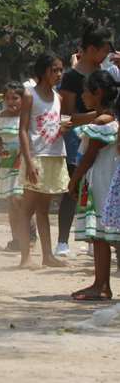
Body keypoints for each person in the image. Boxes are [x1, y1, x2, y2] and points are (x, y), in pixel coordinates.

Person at [56, 23, 113, 257]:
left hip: (104, 139)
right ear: (91, 49)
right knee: (74, 188)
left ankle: (95, 238)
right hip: (76, 141)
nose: (106, 56)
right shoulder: (71, 78)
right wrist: (95, 115)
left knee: (101, 187)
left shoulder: (105, 75)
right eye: (103, 50)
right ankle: (62, 241)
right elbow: (67, 117)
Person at [68, 71, 119, 300]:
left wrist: (74, 179)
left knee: (102, 235)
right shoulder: (105, 118)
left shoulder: (102, 122)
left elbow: (89, 156)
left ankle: (100, 285)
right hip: (105, 178)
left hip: (102, 179)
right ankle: (101, 284)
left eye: (85, 91)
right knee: (104, 235)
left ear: (97, 93)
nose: (82, 95)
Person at [15, 52, 69, 268]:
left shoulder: (59, 98)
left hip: (54, 155)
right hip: (36, 157)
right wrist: (28, 162)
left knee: (44, 210)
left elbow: (54, 126)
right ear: (43, 71)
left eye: (60, 70)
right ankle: (25, 257)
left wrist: (63, 129)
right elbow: (23, 130)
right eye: (54, 70)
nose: (59, 74)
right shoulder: (30, 95)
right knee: (27, 209)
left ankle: (47, 256)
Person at [0, 82, 37, 251]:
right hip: (6, 163)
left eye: (15, 98)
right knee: (11, 202)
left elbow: (30, 140)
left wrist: (23, 157)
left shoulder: (27, 117)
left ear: (23, 99)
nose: (11, 101)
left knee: (20, 199)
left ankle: (30, 236)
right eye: (7, 98)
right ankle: (16, 239)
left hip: (24, 163)